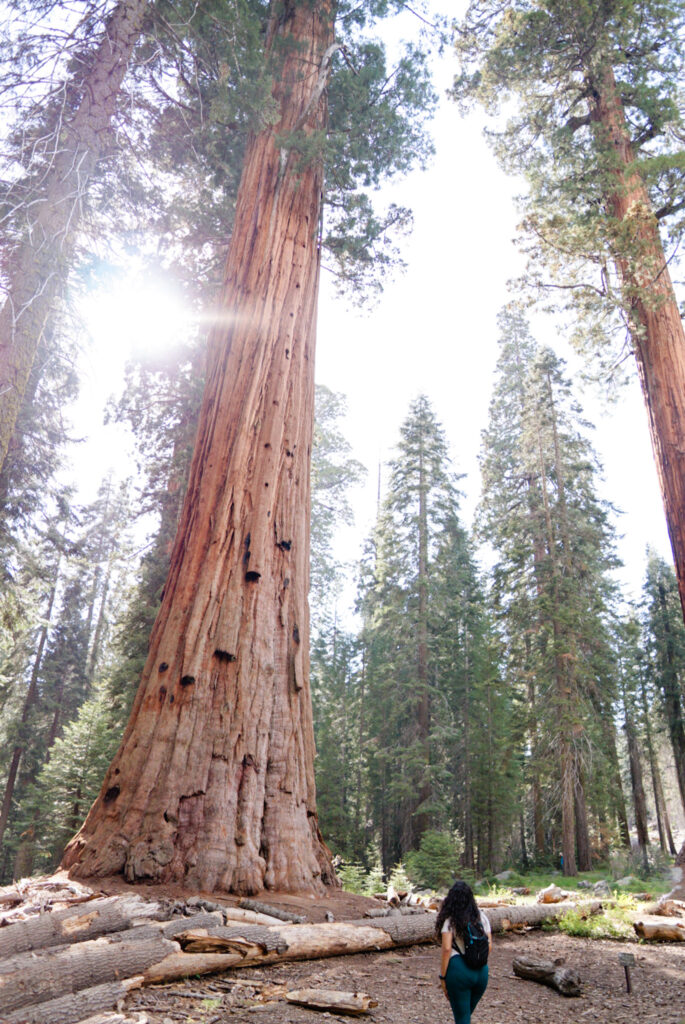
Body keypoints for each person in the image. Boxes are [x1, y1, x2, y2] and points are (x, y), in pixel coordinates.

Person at [436, 880, 491, 1024]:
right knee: (465, 1016)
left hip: (459, 973)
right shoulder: (481, 917)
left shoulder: (450, 920)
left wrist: (443, 978)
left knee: (462, 1019)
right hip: (482, 973)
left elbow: (447, 949)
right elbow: (489, 945)